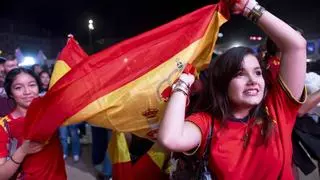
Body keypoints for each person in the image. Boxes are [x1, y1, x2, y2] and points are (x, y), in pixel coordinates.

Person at [158, 0, 307, 179]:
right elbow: (170, 139)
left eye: (258, 72)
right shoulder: (207, 123)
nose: (253, 81)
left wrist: (248, 7)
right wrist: (183, 83)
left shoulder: (277, 109)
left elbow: (296, 45)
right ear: (223, 83)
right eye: (239, 74)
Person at [0, 67, 66, 179]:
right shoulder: (4, 125)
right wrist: (22, 150)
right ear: (10, 93)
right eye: (18, 87)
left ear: (38, 87)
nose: (27, 92)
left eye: (32, 85)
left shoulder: (51, 112)